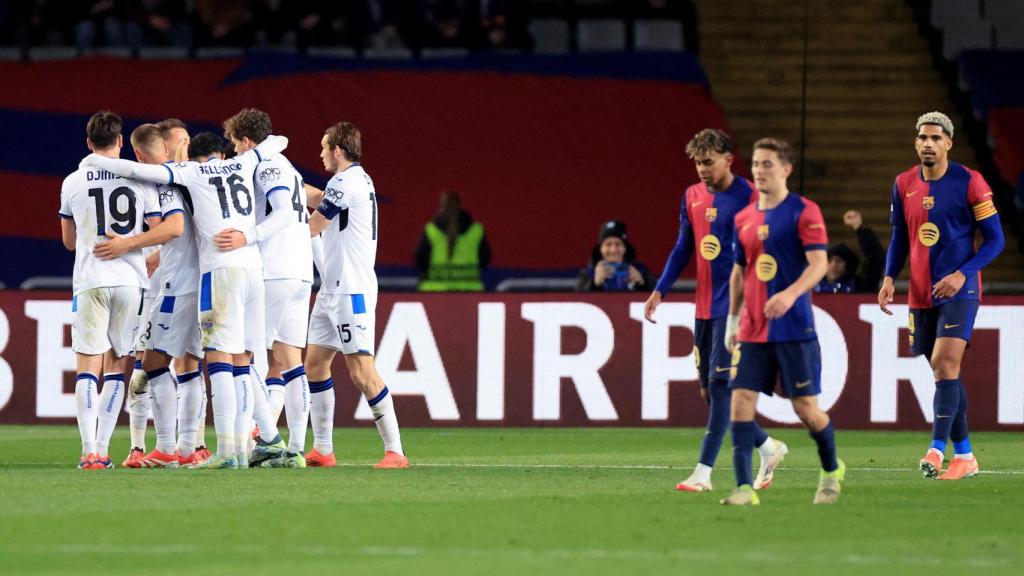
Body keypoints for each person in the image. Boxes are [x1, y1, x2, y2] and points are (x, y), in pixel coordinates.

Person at [81, 130, 289, 469]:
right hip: (253, 266)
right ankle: (263, 441)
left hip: (205, 276)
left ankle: (210, 449)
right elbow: (275, 142)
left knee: (188, 361)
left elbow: (161, 205)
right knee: (236, 361)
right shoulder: (241, 162)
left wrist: (94, 161)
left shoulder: (185, 175)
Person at [643, 128, 786, 493]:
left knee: (722, 388)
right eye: (697, 164)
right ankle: (769, 448)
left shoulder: (751, 197)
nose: (702, 170)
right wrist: (660, 289)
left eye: (708, 162)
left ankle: (703, 473)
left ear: (728, 159)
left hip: (737, 307)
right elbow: (682, 248)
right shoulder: (691, 196)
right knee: (712, 392)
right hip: (704, 309)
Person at [879, 112, 1004, 481]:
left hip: (960, 289)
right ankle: (965, 456)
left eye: (936, 138)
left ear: (949, 143)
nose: (928, 144)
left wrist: (962, 273)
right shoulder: (903, 184)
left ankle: (936, 450)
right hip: (920, 293)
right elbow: (900, 238)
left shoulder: (970, 182)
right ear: (916, 143)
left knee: (944, 363)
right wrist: (889, 276)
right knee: (943, 372)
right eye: (923, 138)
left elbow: (996, 240)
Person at [721, 137, 844, 506]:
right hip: (753, 328)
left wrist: (790, 294)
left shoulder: (804, 212)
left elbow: (819, 264)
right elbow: (740, 272)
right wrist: (731, 321)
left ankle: (830, 470)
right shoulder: (743, 218)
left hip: (794, 328)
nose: (759, 170)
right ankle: (744, 488)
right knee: (740, 400)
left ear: (786, 169)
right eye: (756, 164)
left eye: (767, 164)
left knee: (805, 409)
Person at [59, 111, 161, 470]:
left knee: (88, 367)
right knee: (119, 366)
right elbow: (158, 231)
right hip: (131, 281)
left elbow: (69, 242)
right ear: (120, 142)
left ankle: (90, 452)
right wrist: (133, 245)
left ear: (89, 143)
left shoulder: (72, 181)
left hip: (90, 280)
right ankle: (104, 447)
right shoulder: (141, 180)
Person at [304, 121, 409, 469]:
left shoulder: (346, 181)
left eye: (323, 148)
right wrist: (284, 182)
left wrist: (271, 231)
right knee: (315, 365)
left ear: (337, 149)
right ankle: (322, 448)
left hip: (351, 291)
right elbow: (318, 198)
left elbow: (315, 224)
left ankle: (396, 451)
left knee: (362, 371)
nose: (320, 154)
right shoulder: (352, 182)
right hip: (331, 289)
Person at [92, 123, 196, 468]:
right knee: (152, 367)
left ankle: (180, 446)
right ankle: (146, 446)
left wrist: (128, 245)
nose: (183, 146)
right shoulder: (161, 180)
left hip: (174, 287)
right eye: (179, 141)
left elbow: (174, 228)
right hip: (157, 284)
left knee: (155, 365)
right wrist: (151, 253)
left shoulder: (171, 179)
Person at [215, 108, 313, 468]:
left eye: (235, 145)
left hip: (274, 269)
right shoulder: (289, 166)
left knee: (247, 354)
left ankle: (262, 439)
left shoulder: (266, 164)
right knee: (289, 361)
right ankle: (295, 448)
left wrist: (248, 236)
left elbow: (284, 211)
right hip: (299, 272)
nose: (235, 153)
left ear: (245, 140)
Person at [415, 190, 490, 291]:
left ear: (441, 207)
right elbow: (485, 260)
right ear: (459, 206)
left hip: (434, 292)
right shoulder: (476, 230)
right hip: (469, 292)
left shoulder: (431, 230)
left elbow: (420, 261)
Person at [815, 210, 884, 294]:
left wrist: (860, 228)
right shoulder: (810, 288)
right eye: (829, 261)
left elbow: (875, 258)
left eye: (839, 260)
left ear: (848, 265)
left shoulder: (861, 286)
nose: (833, 264)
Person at [576, 220, 654, 292]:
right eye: (608, 244)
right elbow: (576, 302)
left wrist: (642, 284)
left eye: (618, 244)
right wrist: (594, 285)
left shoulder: (641, 271)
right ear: (600, 248)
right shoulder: (588, 273)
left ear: (625, 248)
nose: (613, 250)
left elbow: (660, 298)